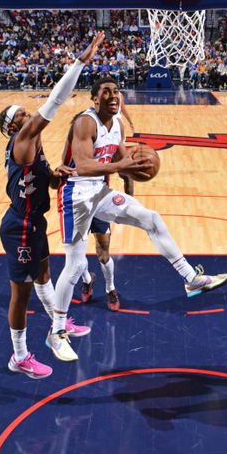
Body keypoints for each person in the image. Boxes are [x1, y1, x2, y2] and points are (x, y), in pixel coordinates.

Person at [48, 75, 227, 362]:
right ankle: (57, 332)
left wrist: (137, 169)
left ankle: (191, 278)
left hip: (99, 192)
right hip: (75, 197)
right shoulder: (85, 122)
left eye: (116, 91)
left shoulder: (118, 125)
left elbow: (124, 164)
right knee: (76, 266)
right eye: (106, 91)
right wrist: (122, 164)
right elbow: (82, 164)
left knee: (152, 219)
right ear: (95, 99)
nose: (113, 95)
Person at [0, 33, 105, 379]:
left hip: (35, 223)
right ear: (13, 128)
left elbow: (43, 182)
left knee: (44, 277)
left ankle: (59, 324)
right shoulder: (23, 140)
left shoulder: (35, 150)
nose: (29, 116)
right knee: (21, 293)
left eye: (28, 113)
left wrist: (57, 176)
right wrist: (80, 61)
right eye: (22, 116)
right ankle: (20, 355)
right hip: (19, 228)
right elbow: (56, 101)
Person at [78, 90, 135, 311]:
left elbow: (125, 172)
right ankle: (86, 280)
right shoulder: (83, 126)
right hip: (77, 198)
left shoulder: (113, 133)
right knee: (76, 254)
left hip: (99, 197)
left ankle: (110, 288)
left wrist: (128, 203)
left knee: (103, 252)